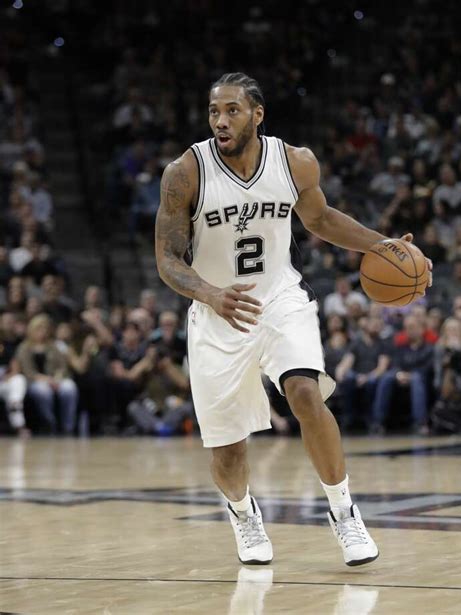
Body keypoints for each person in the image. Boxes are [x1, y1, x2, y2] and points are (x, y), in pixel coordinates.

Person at [155, 73, 432, 567]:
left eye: (232, 110)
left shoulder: (294, 161)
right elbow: (169, 259)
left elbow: (321, 220)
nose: (221, 120)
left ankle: (344, 512)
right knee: (229, 452)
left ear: (257, 115)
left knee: (305, 393)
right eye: (214, 111)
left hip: (280, 298)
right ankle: (243, 513)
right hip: (217, 313)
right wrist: (211, 293)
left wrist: (387, 246)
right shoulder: (185, 172)